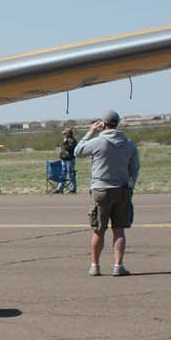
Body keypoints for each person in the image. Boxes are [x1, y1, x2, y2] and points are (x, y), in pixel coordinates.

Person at [75, 110, 140, 277]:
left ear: (103, 124)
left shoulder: (98, 142)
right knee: (119, 229)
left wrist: (90, 132)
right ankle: (118, 265)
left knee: (99, 229)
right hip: (122, 189)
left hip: (101, 189)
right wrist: (130, 184)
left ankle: (95, 265)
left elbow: (78, 152)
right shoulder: (129, 144)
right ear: (118, 123)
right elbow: (134, 169)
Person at [57, 129, 78, 194]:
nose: (64, 135)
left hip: (70, 160)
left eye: (65, 133)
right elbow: (63, 148)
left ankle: (73, 189)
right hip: (64, 159)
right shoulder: (65, 140)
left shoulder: (73, 141)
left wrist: (65, 142)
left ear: (68, 134)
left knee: (71, 173)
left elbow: (69, 148)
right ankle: (60, 188)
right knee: (63, 174)